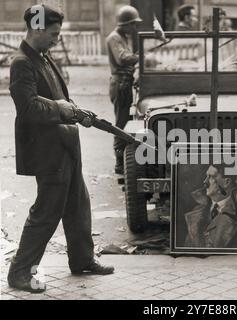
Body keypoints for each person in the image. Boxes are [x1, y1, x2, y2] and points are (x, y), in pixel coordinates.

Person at [7, 4, 114, 294]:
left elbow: (59, 99)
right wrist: (61, 108)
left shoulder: (43, 57)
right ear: (37, 28)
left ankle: (81, 260)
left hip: (65, 144)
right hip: (47, 151)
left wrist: (77, 112)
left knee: (78, 205)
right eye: (53, 33)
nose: (57, 39)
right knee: (47, 211)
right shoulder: (21, 63)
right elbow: (28, 107)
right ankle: (19, 273)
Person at [106, 5, 142, 174]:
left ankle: (123, 162)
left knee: (127, 122)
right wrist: (140, 56)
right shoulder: (114, 38)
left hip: (124, 83)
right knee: (121, 124)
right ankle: (120, 164)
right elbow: (122, 59)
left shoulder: (122, 37)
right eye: (133, 24)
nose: (135, 28)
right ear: (125, 24)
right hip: (120, 84)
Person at [184, 165, 237, 248]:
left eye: (211, 177)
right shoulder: (197, 210)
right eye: (207, 176)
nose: (205, 182)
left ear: (226, 182)